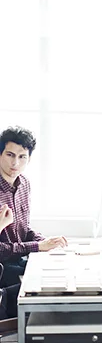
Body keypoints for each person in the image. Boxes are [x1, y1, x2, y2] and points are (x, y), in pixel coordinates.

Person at [0, 127, 66, 319]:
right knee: (48, 288)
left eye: (22, 157)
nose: (15, 163)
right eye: (10, 155)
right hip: (4, 268)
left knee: (57, 272)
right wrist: (37, 246)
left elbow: (23, 228)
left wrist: (46, 243)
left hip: (18, 260)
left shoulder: (24, 184)